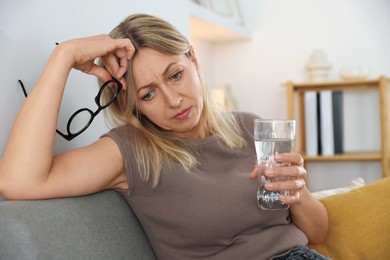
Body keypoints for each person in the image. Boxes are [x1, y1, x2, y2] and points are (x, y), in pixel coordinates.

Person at [0, 13, 329, 260]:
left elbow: (316, 232)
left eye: (175, 75)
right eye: (148, 95)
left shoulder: (248, 127)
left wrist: (298, 192)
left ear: (193, 60)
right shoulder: (131, 151)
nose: (173, 100)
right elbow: (18, 181)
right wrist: (64, 57)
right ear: (134, 105)